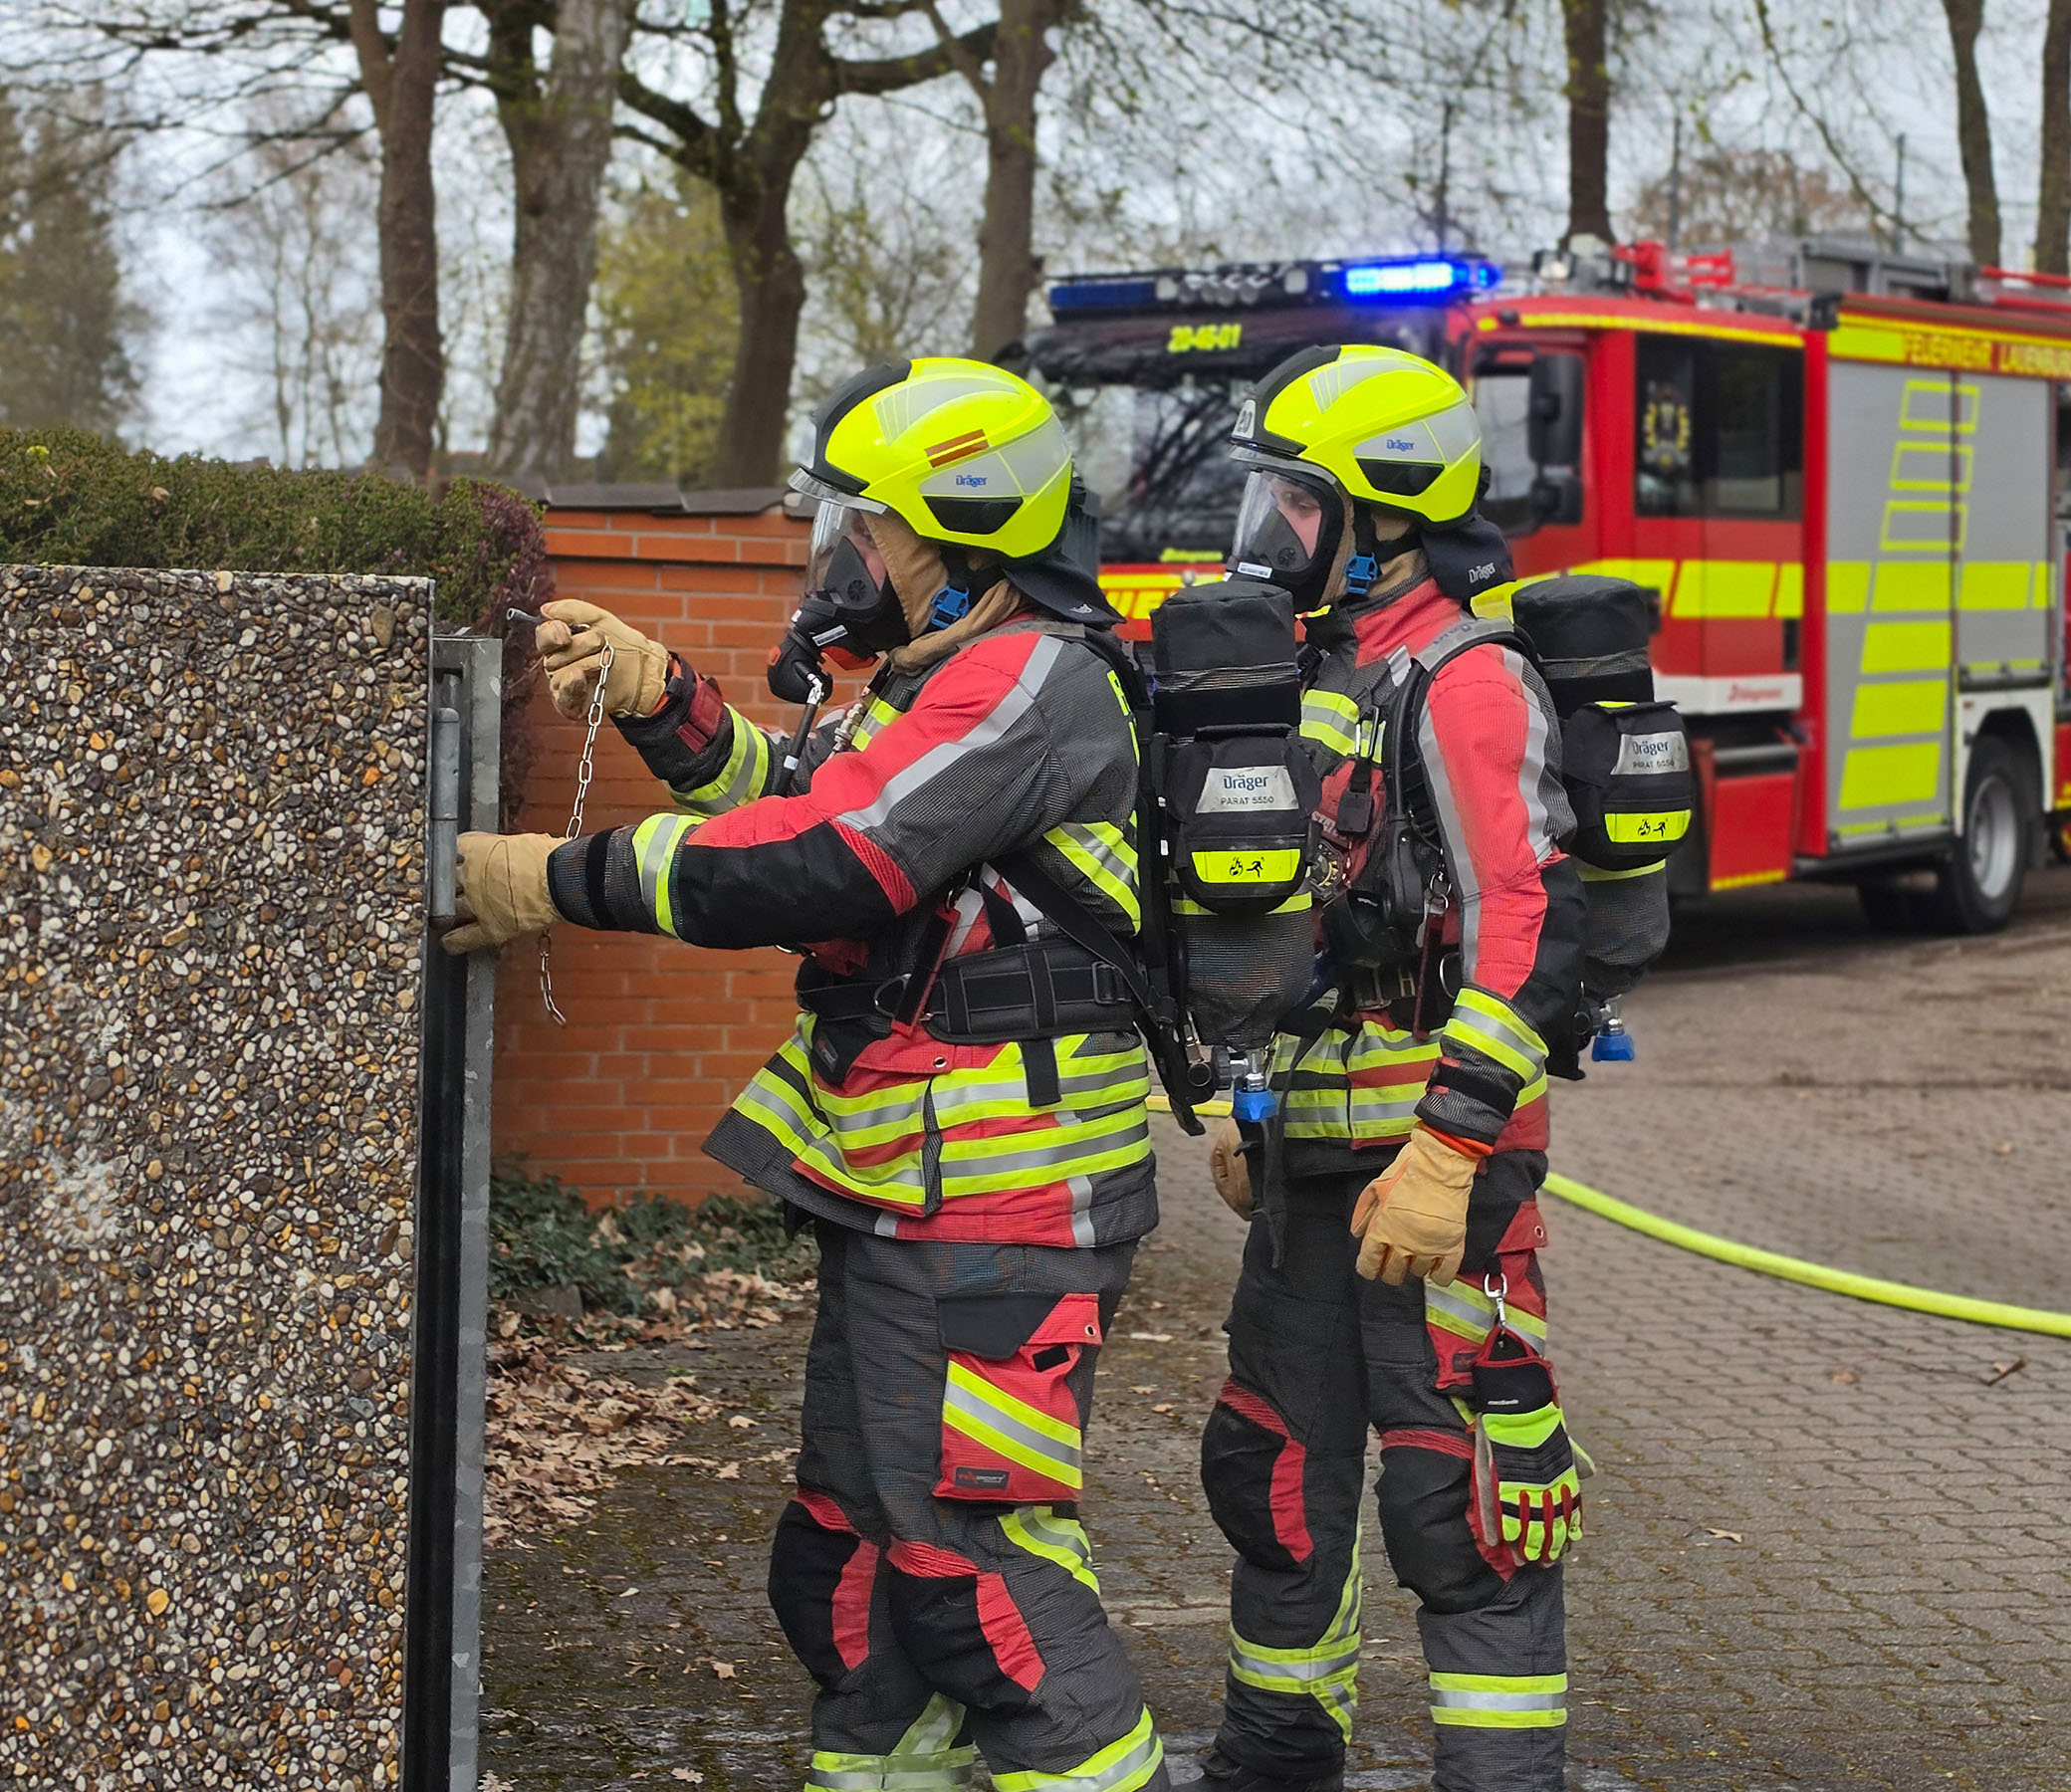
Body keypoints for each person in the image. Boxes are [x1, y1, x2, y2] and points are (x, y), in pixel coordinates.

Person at [443, 358, 1174, 1792]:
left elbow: (829, 862)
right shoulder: (939, 677)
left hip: (1003, 1207)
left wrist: (557, 878)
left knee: (971, 1577)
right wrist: (663, 700)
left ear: (962, 546)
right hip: (907, 1186)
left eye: (871, 529)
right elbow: (802, 799)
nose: (845, 557)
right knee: (846, 1564)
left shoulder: (1031, 683)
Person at [1190, 344, 1589, 1792]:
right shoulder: (1318, 671)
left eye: (1299, 505)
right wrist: (1239, 1097)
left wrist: (1452, 1146)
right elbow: (1280, 911)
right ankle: (1275, 1758)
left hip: (1440, 1182)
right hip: (1306, 1172)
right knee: (1274, 1477)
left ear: (1389, 516)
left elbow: (1524, 928)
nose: (1269, 532)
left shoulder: (1469, 681)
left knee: (1458, 1501)